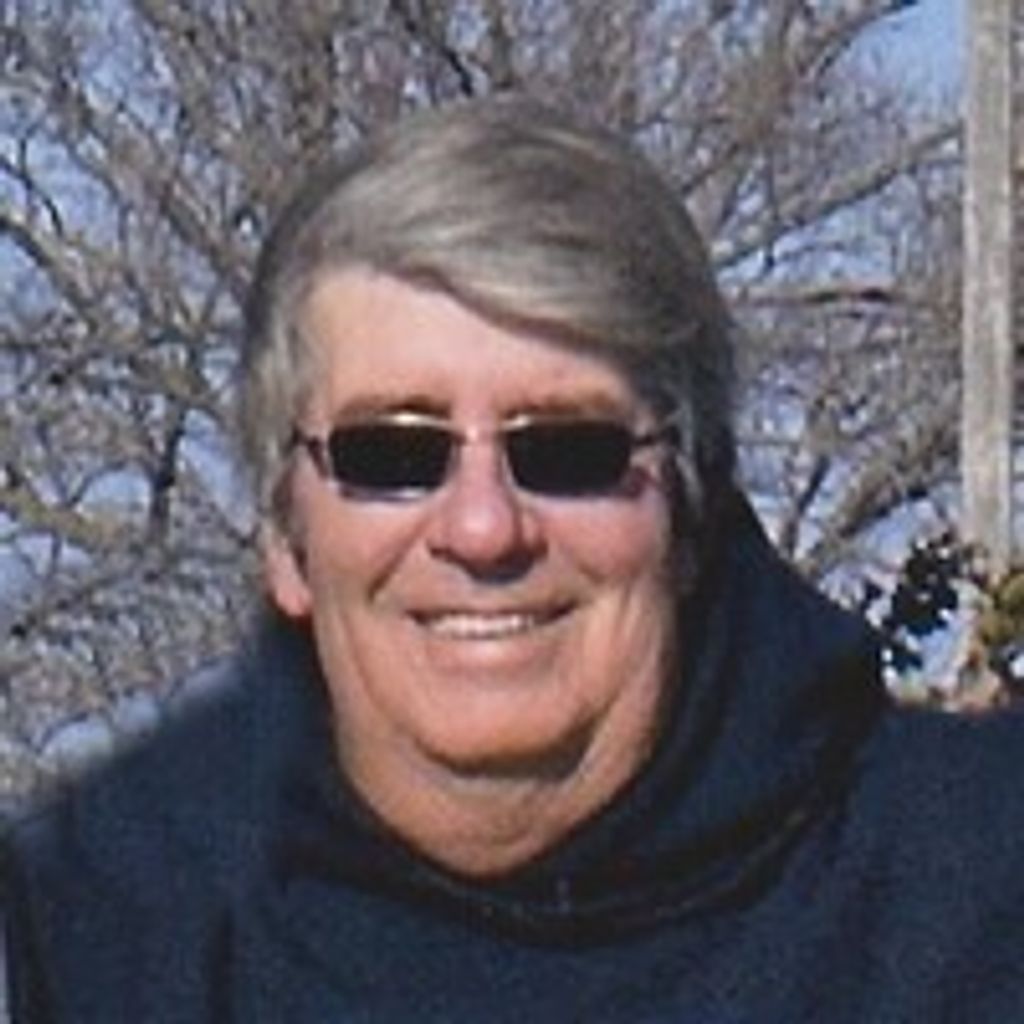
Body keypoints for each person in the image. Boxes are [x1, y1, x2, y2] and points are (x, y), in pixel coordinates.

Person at [4, 95, 1024, 1022]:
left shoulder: (982, 885)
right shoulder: (118, 942)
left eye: (568, 449)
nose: (484, 527)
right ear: (285, 535)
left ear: (691, 506)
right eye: (392, 454)